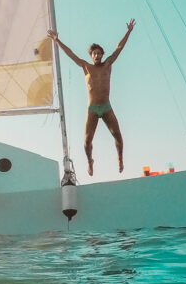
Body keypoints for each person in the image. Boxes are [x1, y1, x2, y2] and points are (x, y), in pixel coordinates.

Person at [48, 19, 134, 176]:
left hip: (106, 107)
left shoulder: (108, 64)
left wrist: (128, 31)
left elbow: (119, 48)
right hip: (92, 109)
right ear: (91, 55)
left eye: (100, 53)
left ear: (102, 55)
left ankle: (120, 158)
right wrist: (57, 40)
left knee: (118, 136)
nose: (97, 55)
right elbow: (70, 54)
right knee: (86, 142)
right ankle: (90, 161)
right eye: (95, 53)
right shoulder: (86, 67)